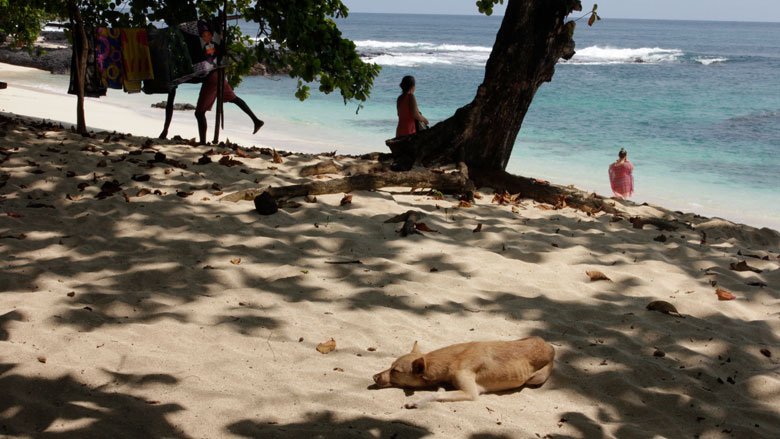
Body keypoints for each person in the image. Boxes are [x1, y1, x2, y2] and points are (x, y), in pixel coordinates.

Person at [193, 20, 264, 144]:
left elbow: (209, 59)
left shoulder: (209, 43)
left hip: (213, 77)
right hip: (219, 75)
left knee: (199, 113)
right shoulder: (215, 41)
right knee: (234, 99)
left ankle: (203, 143)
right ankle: (256, 120)